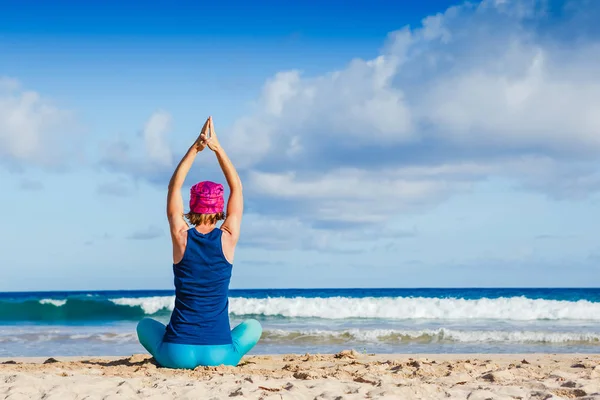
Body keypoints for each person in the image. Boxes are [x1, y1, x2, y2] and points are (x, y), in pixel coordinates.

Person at [136, 116, 262, 369]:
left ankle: (167, 354)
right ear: (220, 208)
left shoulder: (180, 236)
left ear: (191, 206)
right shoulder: (228, 237)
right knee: (253, 327)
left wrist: (195, 148)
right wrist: (217, 149)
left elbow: (174, 186)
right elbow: (236, 188)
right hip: (220, 356)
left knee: (144, 325)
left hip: (176, 354)